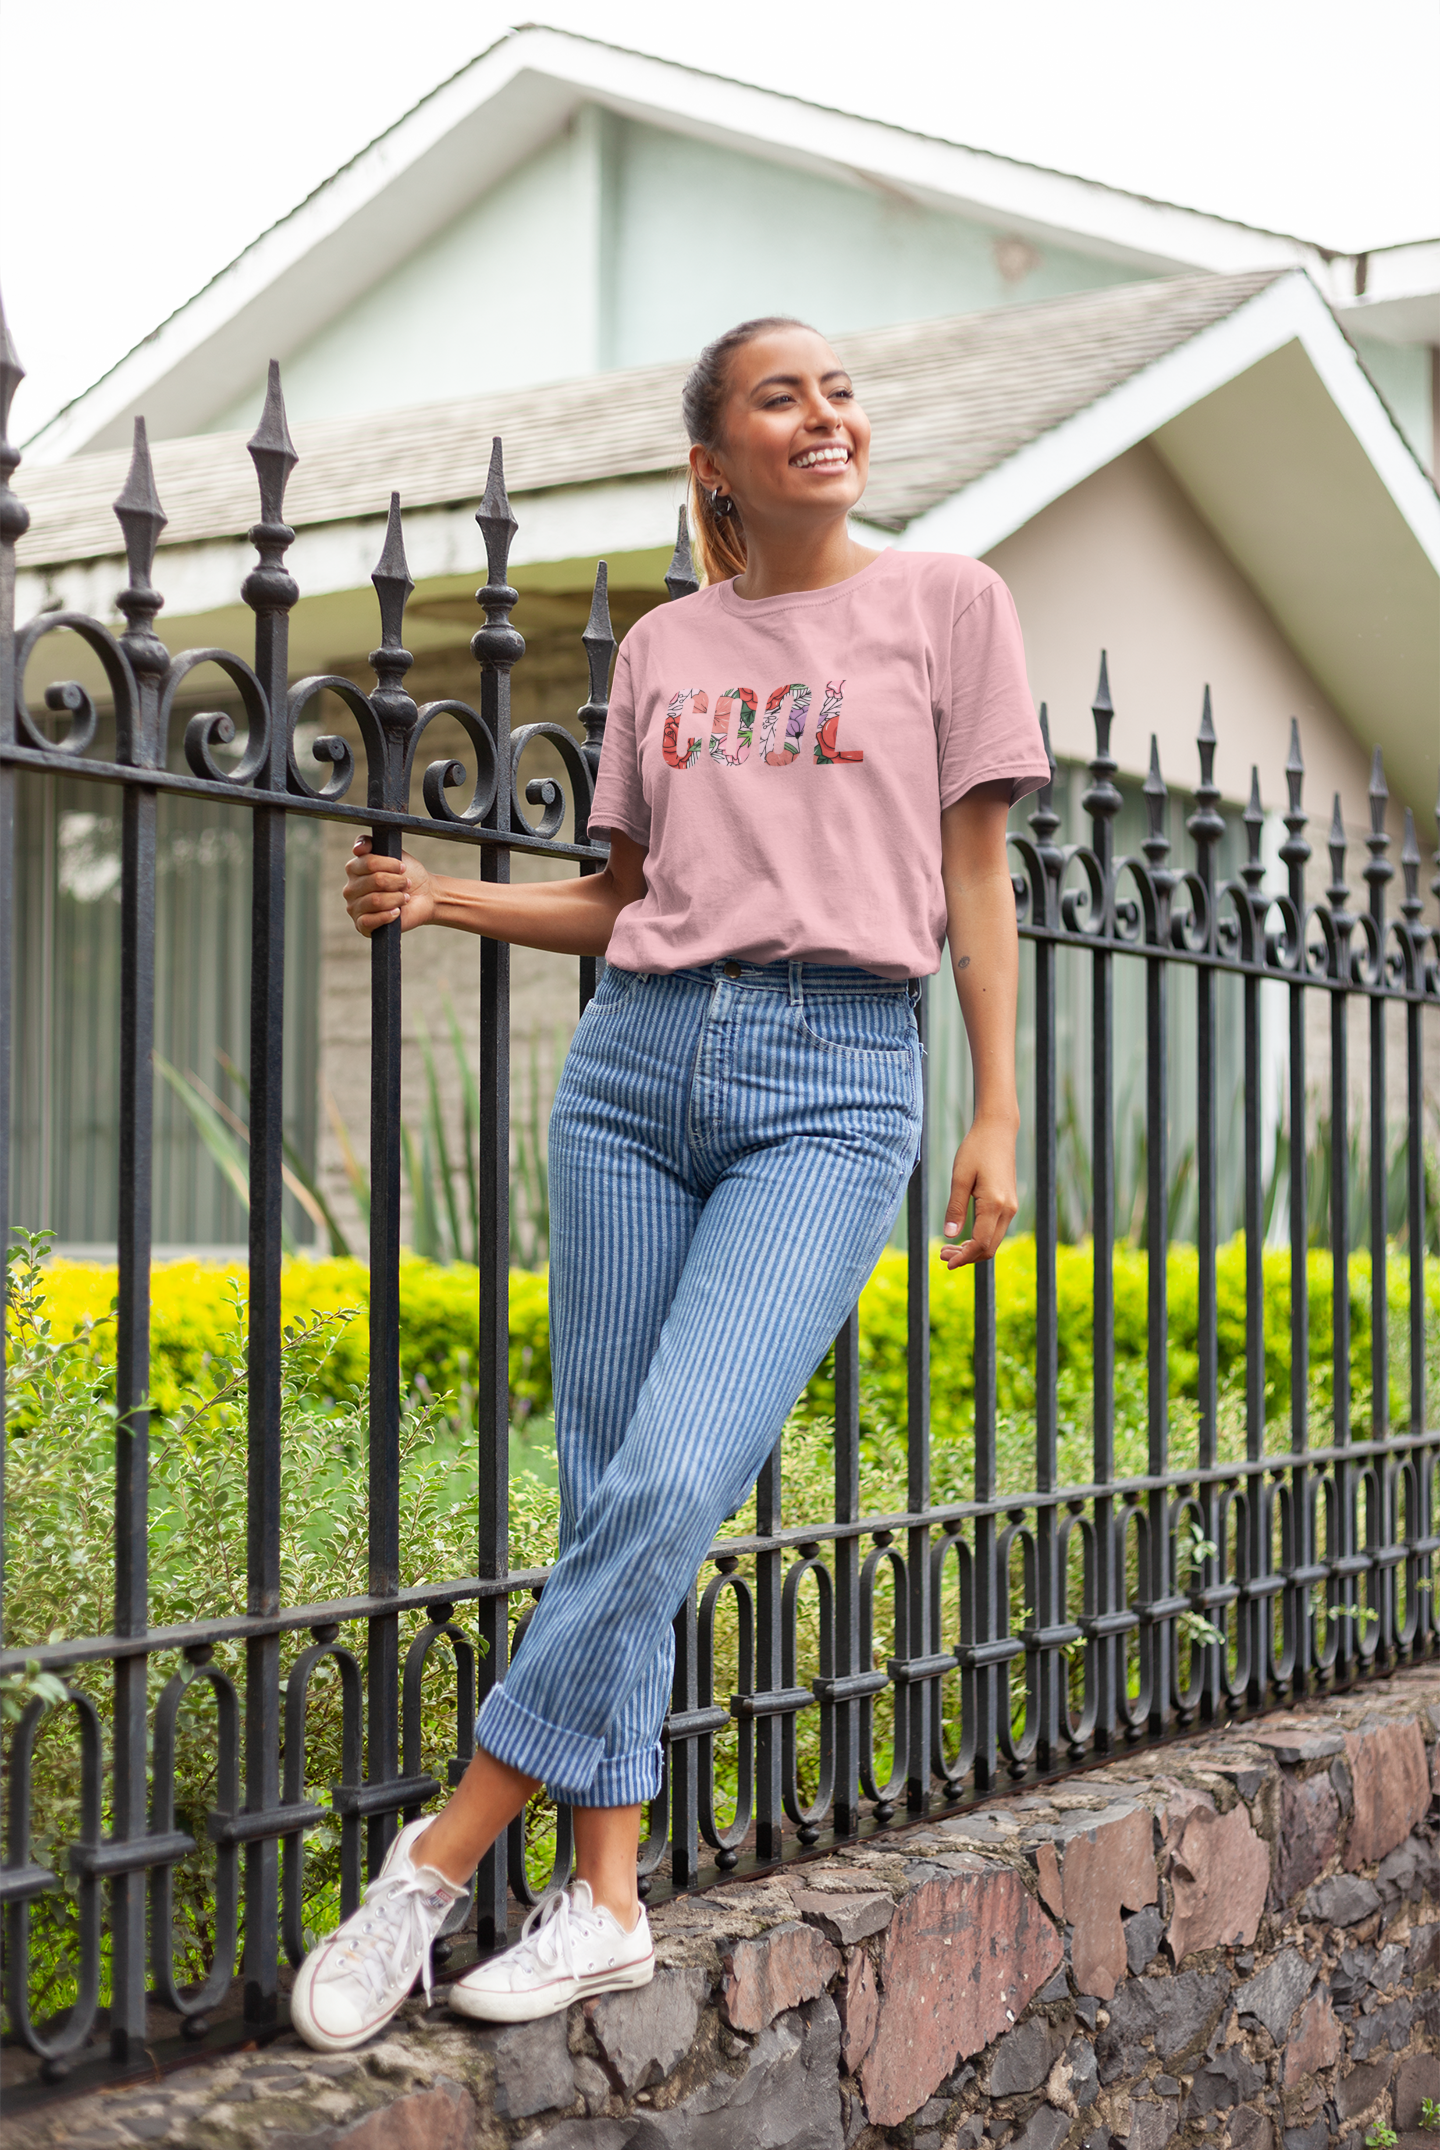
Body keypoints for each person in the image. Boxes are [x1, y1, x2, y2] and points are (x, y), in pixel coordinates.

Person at [290, 315, 1051, 2052]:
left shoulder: (949, 606)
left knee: (673, 1477)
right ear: (715, 453)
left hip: (836, 1082)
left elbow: (978, 877)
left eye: (838, 388)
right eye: (783, 396)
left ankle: (428, 1859)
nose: (827, 413)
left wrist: (996, 1108)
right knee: (607, 1489)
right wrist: (451, 901)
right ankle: (606, 1901)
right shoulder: (662, 649)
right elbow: (625, 899)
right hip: (634, 1073)